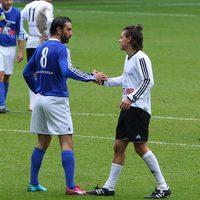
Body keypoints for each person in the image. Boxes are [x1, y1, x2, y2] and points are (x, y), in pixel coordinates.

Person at [23, 16, 108, 195]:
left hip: (40, 100)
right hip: (57, 100)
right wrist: (93, 77)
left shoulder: (40, 48)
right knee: (67, 142)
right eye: (68, 30)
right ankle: (71, 186)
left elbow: (26, 72)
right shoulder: (62, 49)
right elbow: (67, 70)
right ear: (59, 30)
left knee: (42, 142)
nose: (71, 33)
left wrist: (38, 90)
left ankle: (33, 183)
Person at [87, 24, 171, 198]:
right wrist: (104, 81)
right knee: (118, 146)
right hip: (128, 108)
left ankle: (163, 187)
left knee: (140, 148)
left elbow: (148, 81)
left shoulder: (141, 58)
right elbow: (126, 80)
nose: (119, 40)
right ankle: (109, 187)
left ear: (130, 39)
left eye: (121, 37)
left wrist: (131, 98)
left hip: (138, 109)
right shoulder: (128, 58)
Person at [21, 0, 54, 111]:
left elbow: (18, 19)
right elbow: (49, 21)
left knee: (32, 73)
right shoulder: (47, 5)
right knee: (45, 71)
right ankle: (44, 100)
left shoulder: (29, 5)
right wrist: (49, 36)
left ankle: (33, 104)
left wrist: (25, 35)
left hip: (31, 42)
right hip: (43, 42)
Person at [0, 0, 25, 113]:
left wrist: (20, 51)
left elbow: (20, 32)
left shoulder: (17, 13)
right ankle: (1, 104)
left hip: (11, 48)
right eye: (6, 0)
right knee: (0, 73)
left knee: (7, 76)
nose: (9, 2)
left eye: (11, 0)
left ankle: (2, 103)